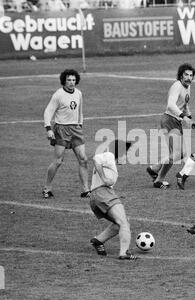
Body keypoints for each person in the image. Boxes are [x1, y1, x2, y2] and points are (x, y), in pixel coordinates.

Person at [146, 63, 195, 189]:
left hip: (176, 121)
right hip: (170, 120)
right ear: (181, 76)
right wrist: (184, 116)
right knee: (177, 153)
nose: (189, 77)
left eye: (191, 75)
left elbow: (185, 103)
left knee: (179, 153)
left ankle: (158, 177)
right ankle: (154, 169)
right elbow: (171, 105)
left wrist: (190, 118)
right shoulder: (177, 85)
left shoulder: (187, 86)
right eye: (186, 75)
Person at [43, 69, 91, 199]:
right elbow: (48, 112)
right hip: (61, 129)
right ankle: (47, 188)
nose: (71, 82)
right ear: (64, 80)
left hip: (76, 129)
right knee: (58, 161)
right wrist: (48, 129)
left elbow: (80, 111)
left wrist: (79, 124)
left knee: (83, 159)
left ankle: (85, 190)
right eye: (69, 80)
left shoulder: (79, 93)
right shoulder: (58, 95)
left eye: (74, 80)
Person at [89, 139, 138, 260]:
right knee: (124, 223)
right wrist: (104, 178)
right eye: (125, 152)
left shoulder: (110, 161)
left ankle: (98, 240)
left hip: (96, 196)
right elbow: (96, 159)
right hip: (103, 193)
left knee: (120, 223)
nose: (126, 155)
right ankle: (124, 253)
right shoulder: (109, 155)